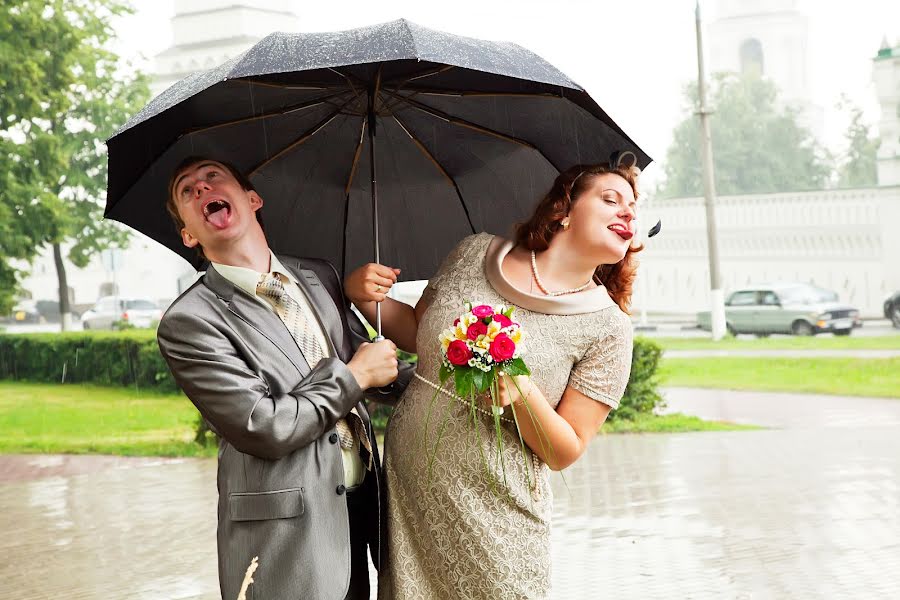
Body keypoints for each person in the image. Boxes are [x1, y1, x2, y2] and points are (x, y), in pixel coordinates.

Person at [345, 157, 641, 599]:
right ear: (563, 208)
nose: (628, 213)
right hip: (413, 493)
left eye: (634, 208)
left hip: (501, 510)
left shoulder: (609, 328)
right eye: (611, 199)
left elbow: (566, 450)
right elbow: (418, 333)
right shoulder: (475, 252)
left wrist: (523, 393)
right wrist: (361, 295)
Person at [156, 156, 411, 600]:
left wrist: (462, 374)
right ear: (188, 235)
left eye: (213, 176)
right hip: (285, 534)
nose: (201, 188)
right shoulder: (189, 321)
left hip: (357, 511)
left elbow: (370, 367)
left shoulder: (320, 275)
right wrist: (355, 376)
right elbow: (264, 425)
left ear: (252, 199)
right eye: (186, 190)